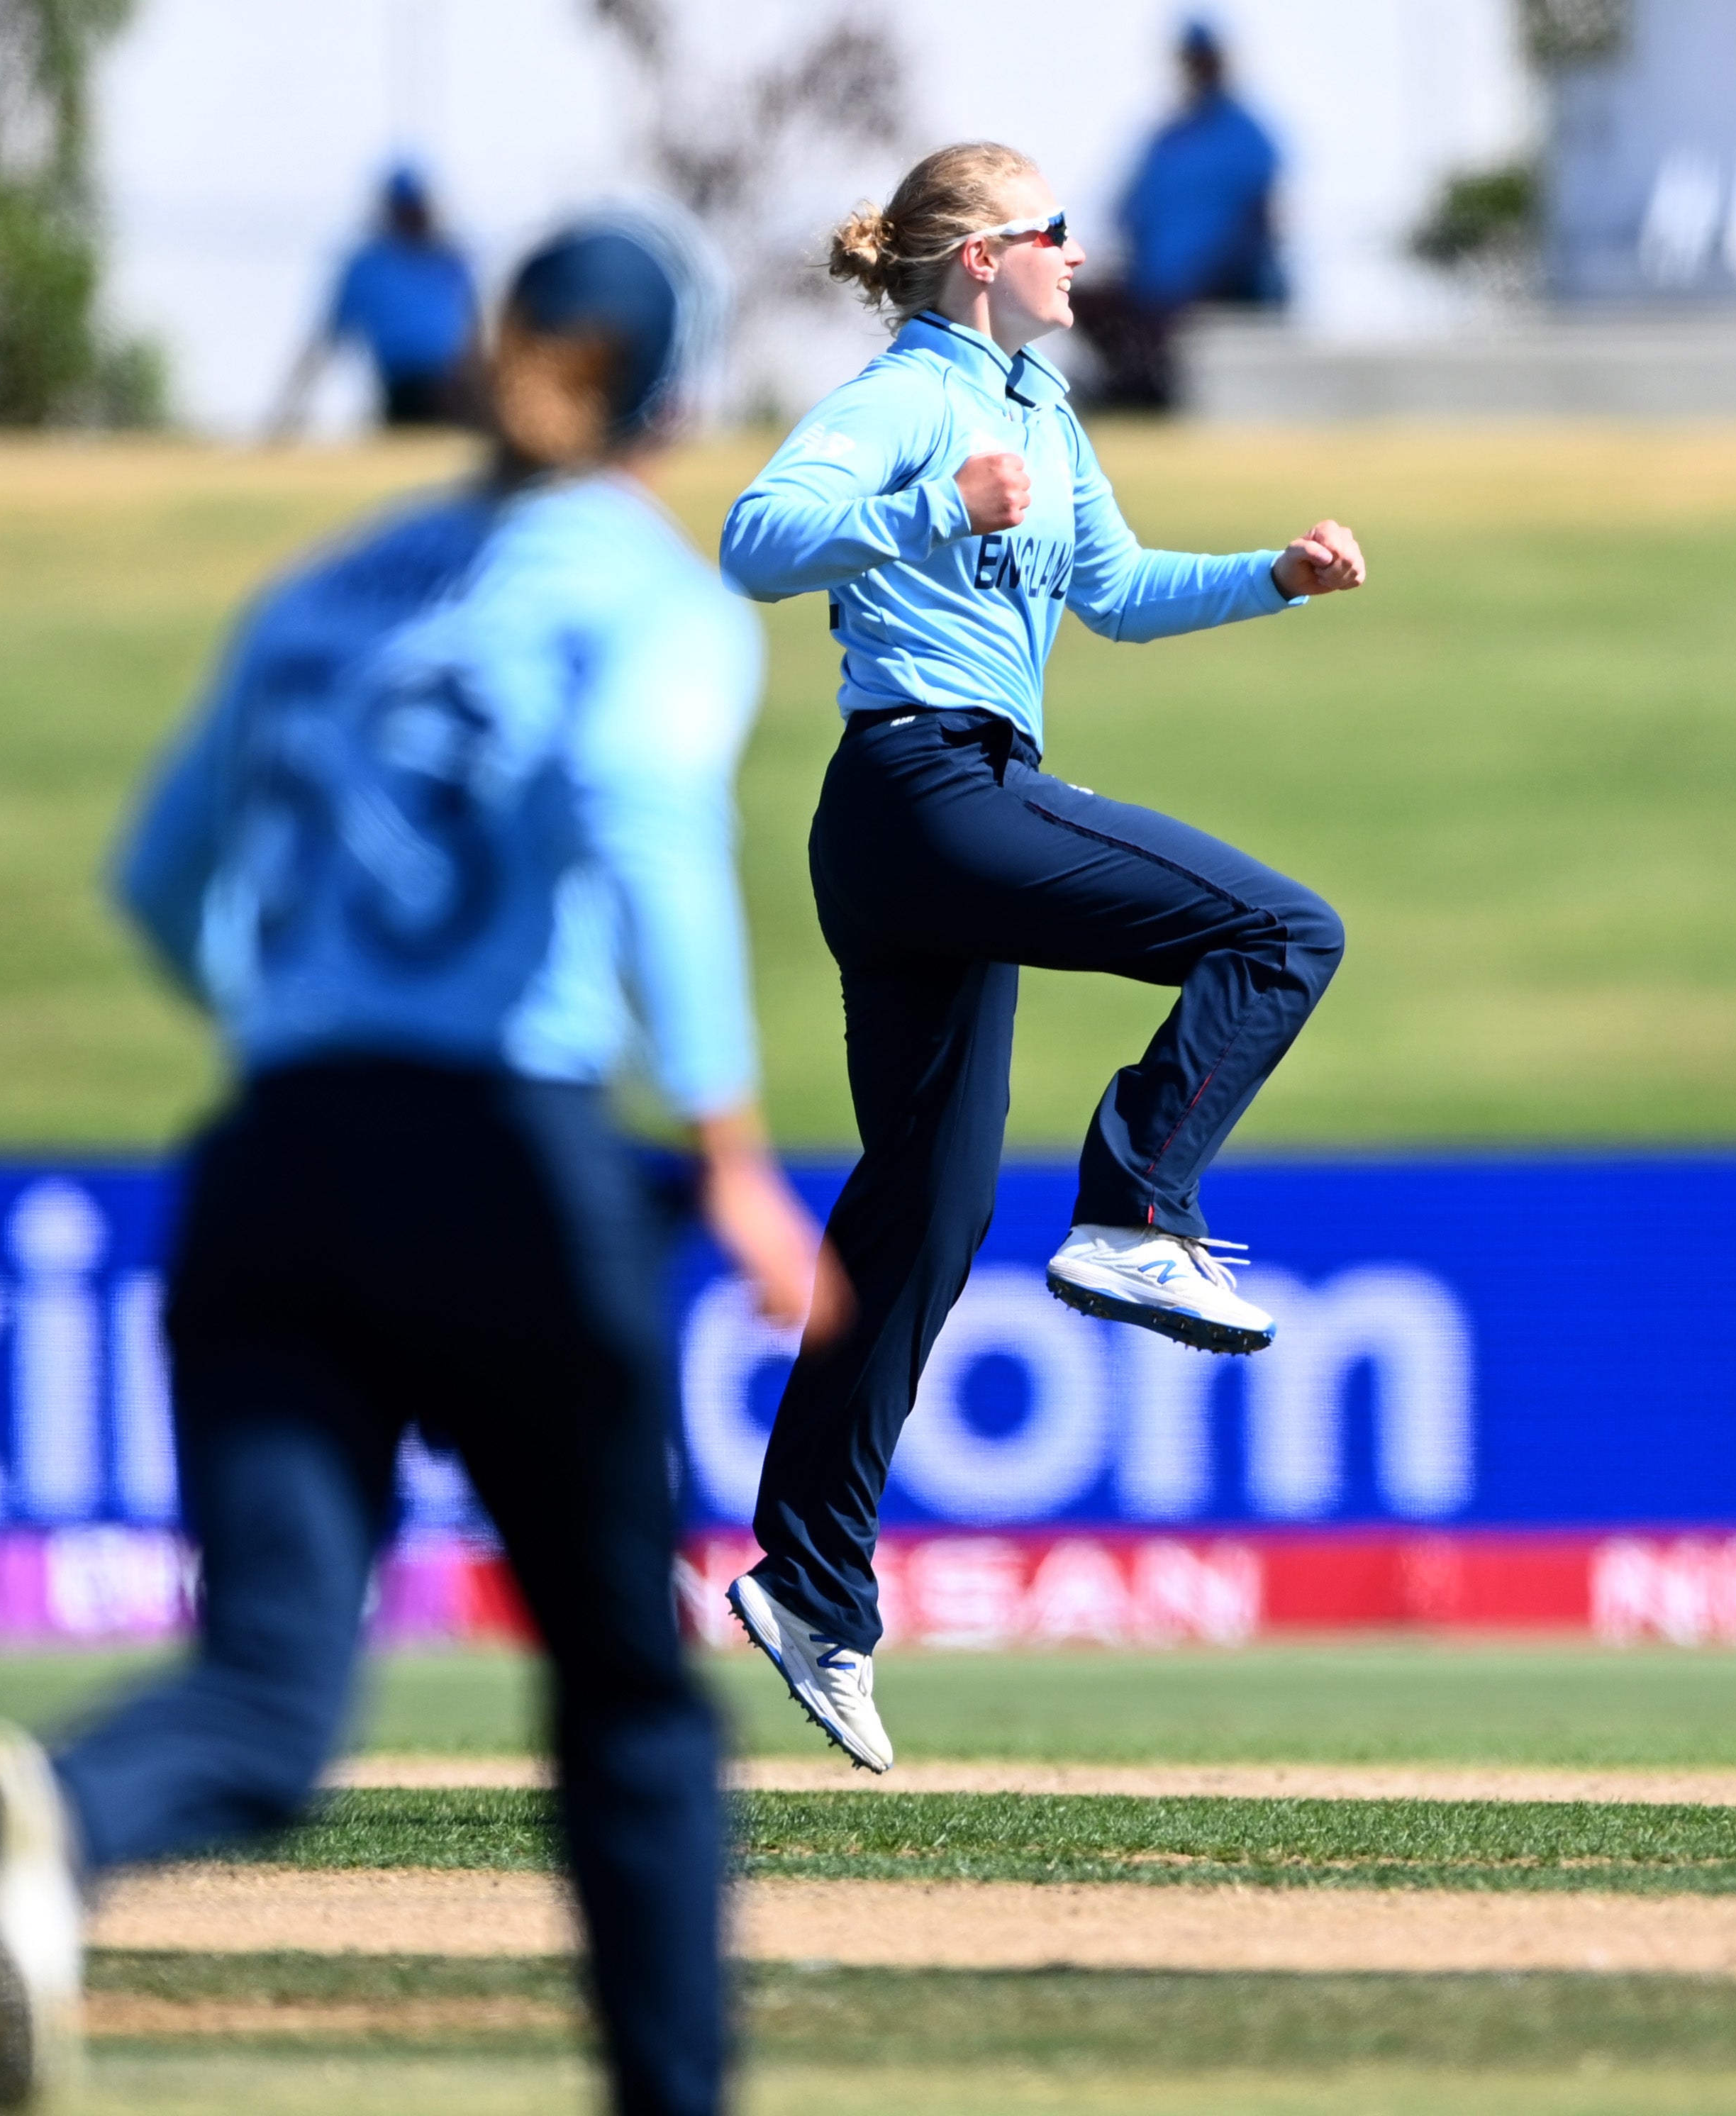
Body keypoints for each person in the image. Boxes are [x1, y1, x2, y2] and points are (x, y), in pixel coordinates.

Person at [0, 206, 830, 2116]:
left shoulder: (325, 590)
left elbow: (165, 884)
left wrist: (301, 1024)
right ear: (672, 395)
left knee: (266, 1697)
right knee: (624, 1697)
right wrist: (734, 1150)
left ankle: (62, 1833)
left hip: (274, 1164)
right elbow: (639, 820)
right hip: (505, 1160)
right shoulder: (645, 594)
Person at [714, 140, 1362, 1771]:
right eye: (1052, 232)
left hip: (935, 818)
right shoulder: (919, 394)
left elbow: (1122, 596)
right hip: (921, 792)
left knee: (925, 1209)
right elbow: (752, 534)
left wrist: (1272, 580)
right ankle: (1139, 1209)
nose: (1079, 256)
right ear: (980, 257)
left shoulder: (1047, 416)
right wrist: (932, 502)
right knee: (1285, 930)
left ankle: (806, 1587)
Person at [1076, 20, 1285, 411]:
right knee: (1076, 300)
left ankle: (1152, 390)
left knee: (1168, 326)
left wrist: (1216, 274)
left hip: (1221, 285)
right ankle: (1133, 386)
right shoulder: (1167, 138)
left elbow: (1263, 221)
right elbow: (1128, 209)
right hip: (1152, 284)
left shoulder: (1247, 134)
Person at [272, 164, 481, 435]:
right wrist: (286, 418)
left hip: (459, 389)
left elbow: (477, 337)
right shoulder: (368, 265)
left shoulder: (453, 259)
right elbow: (325, 342)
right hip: (404, 392)